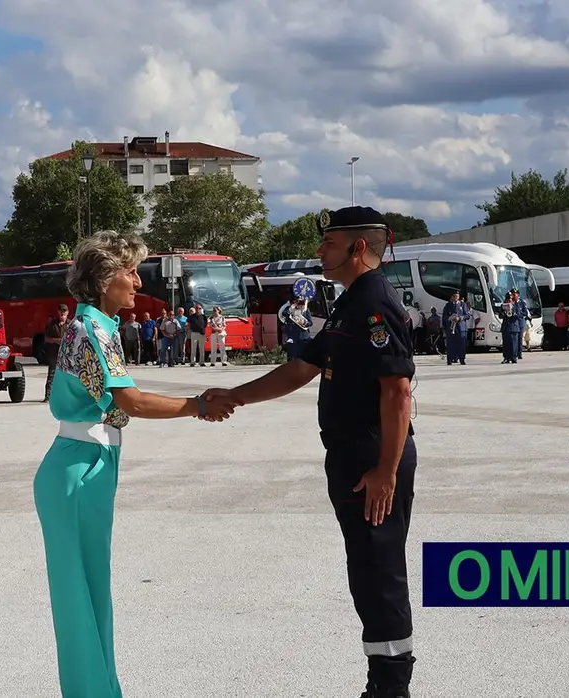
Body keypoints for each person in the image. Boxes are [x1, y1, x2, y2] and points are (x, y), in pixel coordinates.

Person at [203, 206, 418, 698]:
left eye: (329, 242)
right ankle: (380, 681)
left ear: (357, 247)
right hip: (351, 455)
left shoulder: (374, 303)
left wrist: (386, 470)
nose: (320, 250)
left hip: (373, 456)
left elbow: (397, 392)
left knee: (380, 570)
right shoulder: (348, 302)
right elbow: (300, 369)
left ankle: (392, 687)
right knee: (365, 569)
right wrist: (234, 395)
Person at [34, 230, 234, 698]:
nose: (137, 282)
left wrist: (129, 415)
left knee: (92, 595)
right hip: (78, 470)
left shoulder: (96, 327)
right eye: (129, 272)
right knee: (79, 600)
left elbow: (112, 407)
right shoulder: (91, 330)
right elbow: (131, 403)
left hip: (90, 462)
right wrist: (197, 405)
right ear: (105, 279)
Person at [43, 304, 70, 402]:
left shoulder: (70, 324)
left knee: (67, 376)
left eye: (64, 311)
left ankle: (66, 397)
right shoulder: (52, 324)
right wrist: (55, 340)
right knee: (52, 375)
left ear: (67, 312)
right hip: (54, 354)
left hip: (66, 355)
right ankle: (48, 396)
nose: (62, 313)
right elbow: (46, 338)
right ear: (58, 312)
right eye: (61, 311)